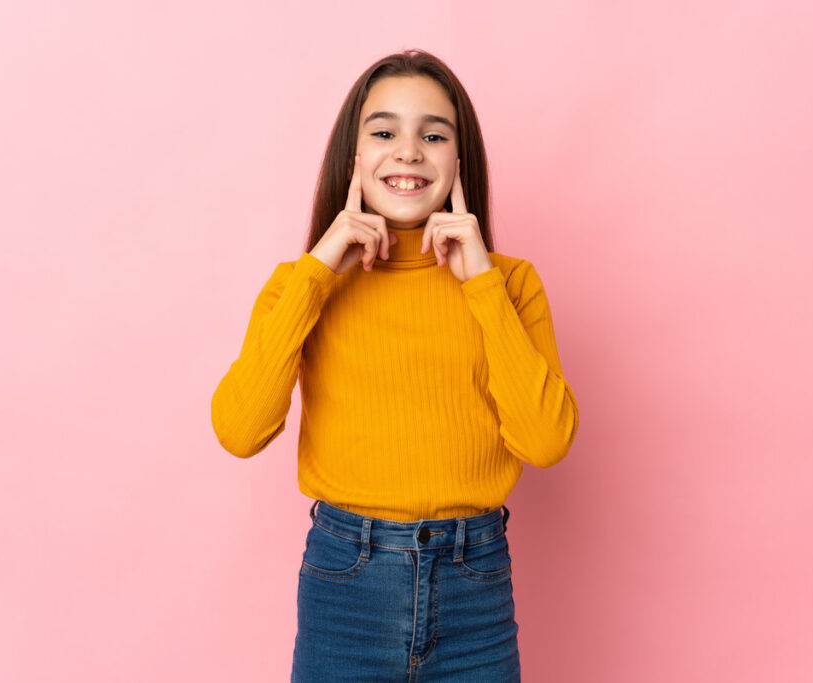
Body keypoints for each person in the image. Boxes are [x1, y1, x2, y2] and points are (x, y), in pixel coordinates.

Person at [210, 48, 579, 682]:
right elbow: (241, 431)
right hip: (346, 586)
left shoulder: (509, 285)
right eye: (384, 132)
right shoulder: (299, 286)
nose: (408, 151)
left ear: (459, 162)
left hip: (477, 589)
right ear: (352, 159)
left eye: (432, 135)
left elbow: (545, 442)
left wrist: (481, 286)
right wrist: (318, 274)